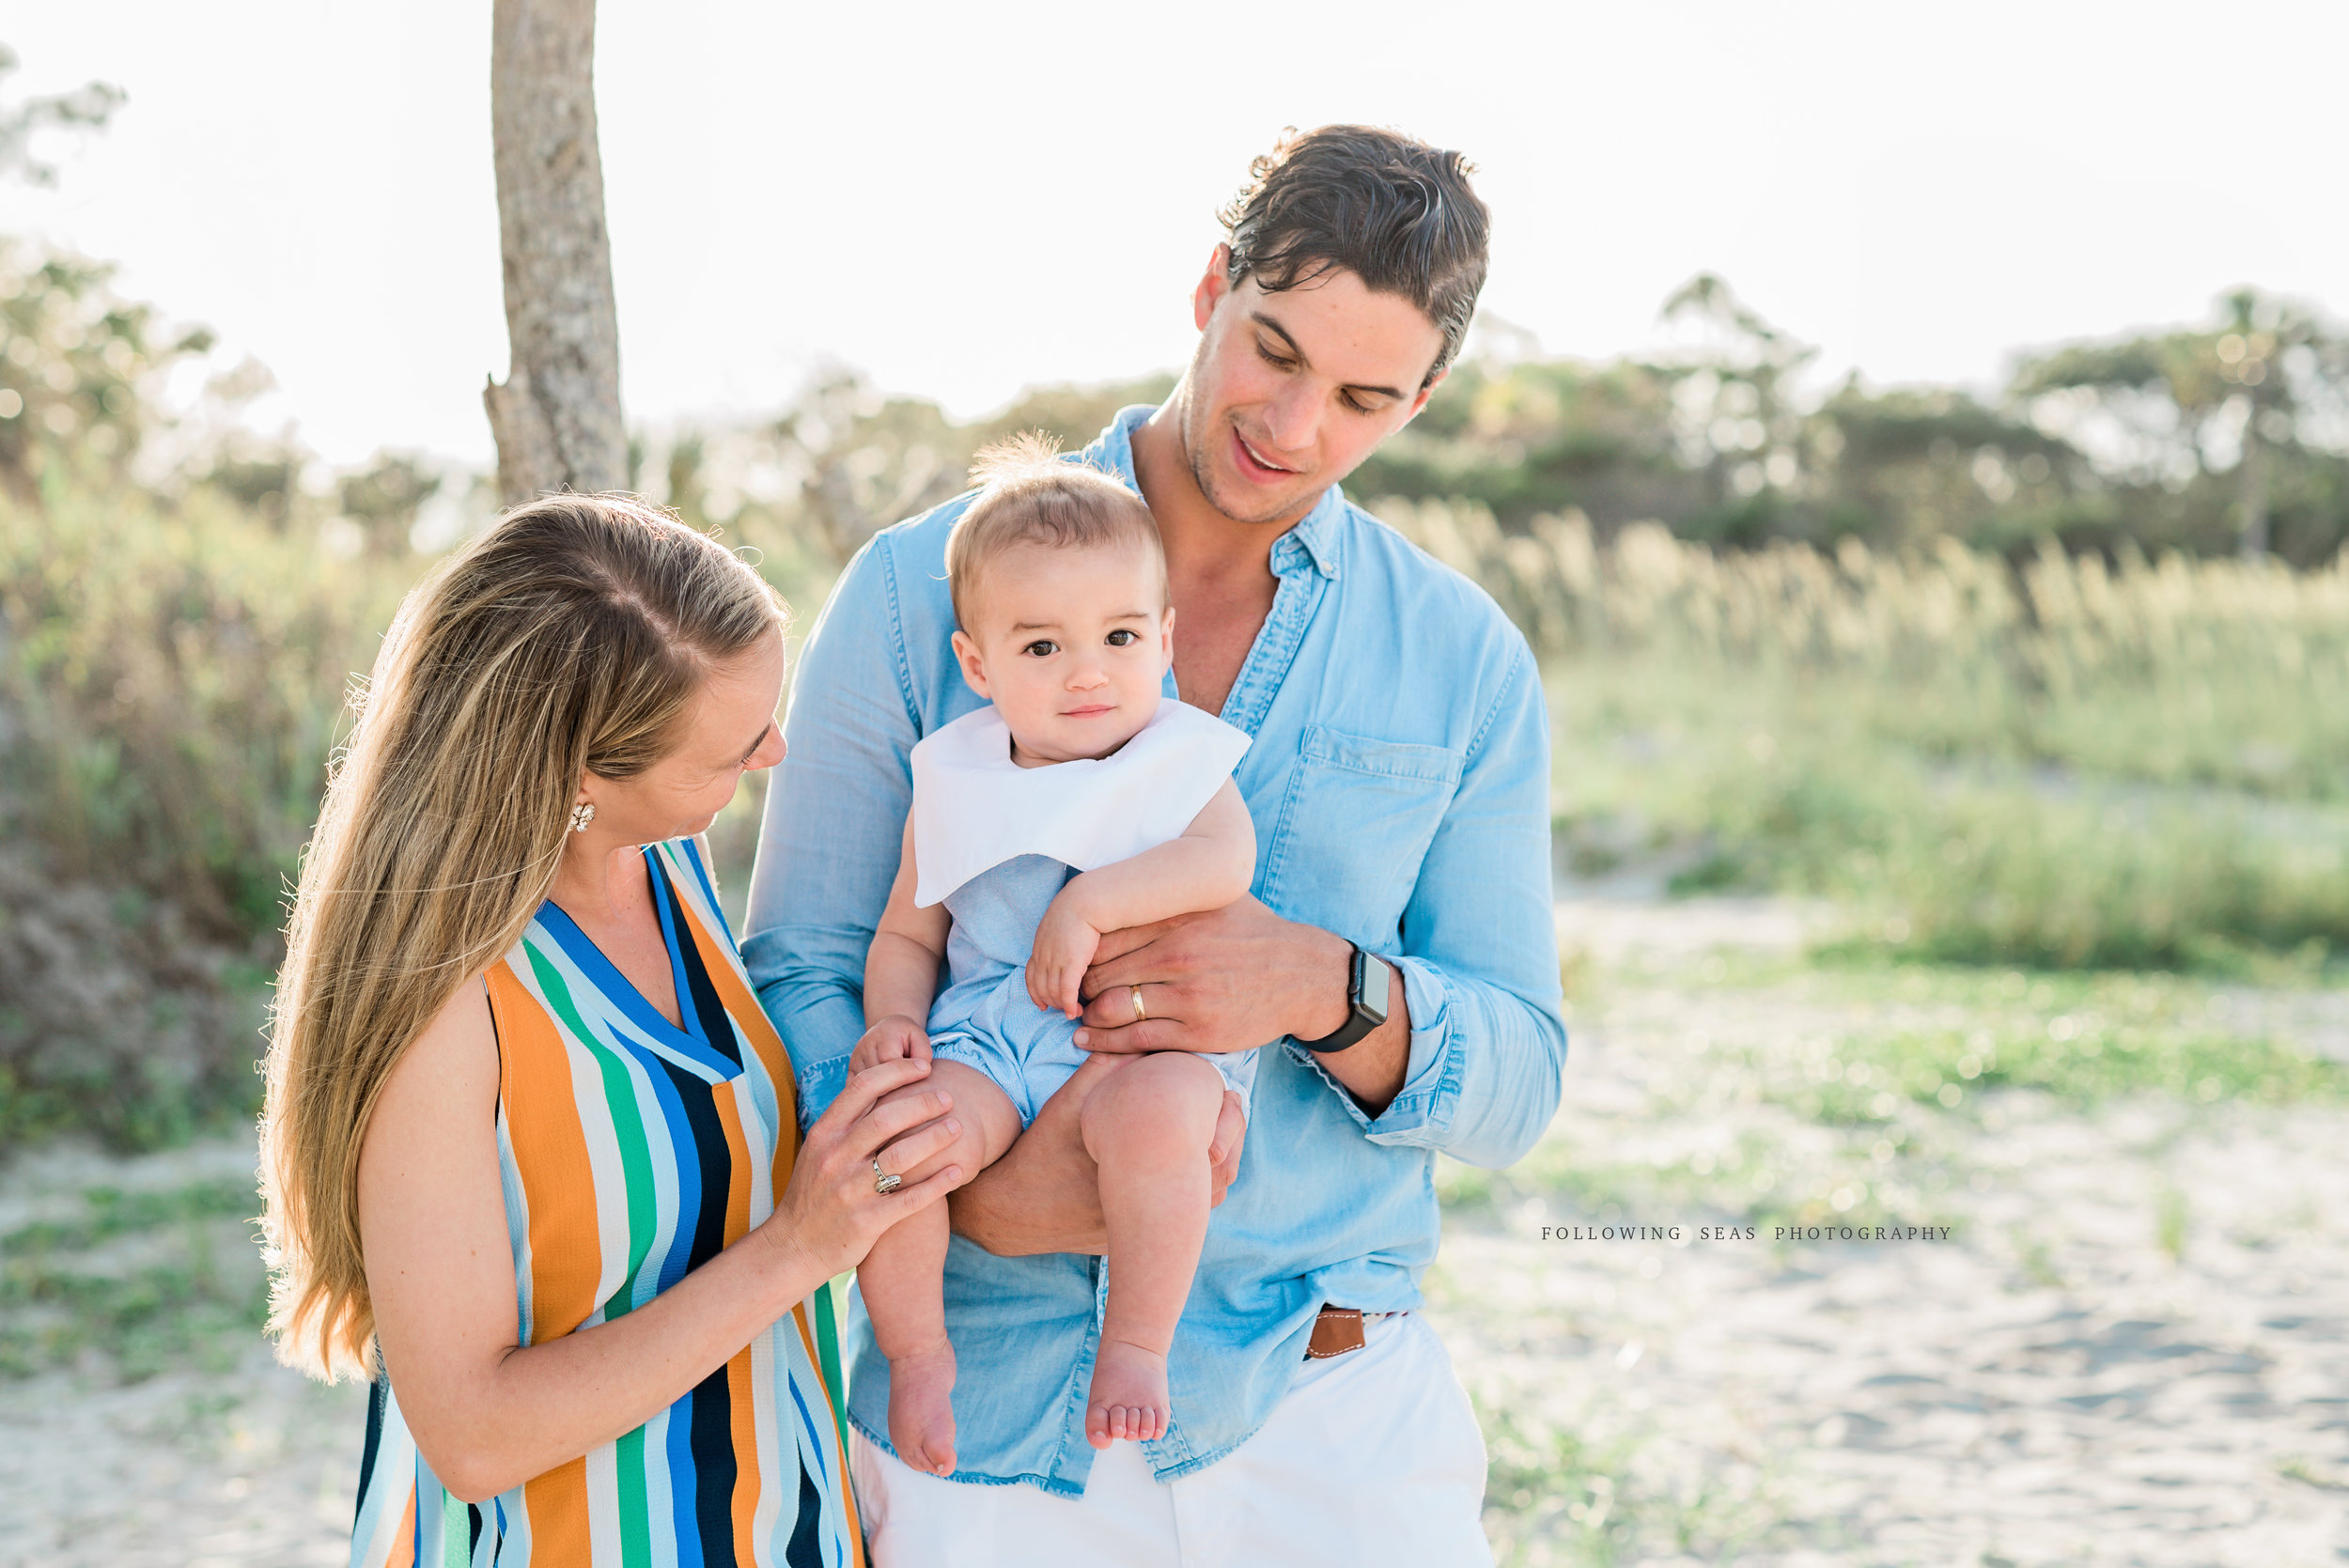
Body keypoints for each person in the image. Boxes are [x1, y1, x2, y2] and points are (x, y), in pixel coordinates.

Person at [745, 125, 1567, 1565]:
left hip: (1331, 1430)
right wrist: (950, 1172)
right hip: (976, 1434)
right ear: (1210, 287)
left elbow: (1517, 1083)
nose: (1298, 425)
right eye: (1275, 350)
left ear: (1426, 397)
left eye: (1366, 396)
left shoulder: (1463, 661)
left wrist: (1329, 988)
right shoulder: (903, 592)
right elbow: (804, 967)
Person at [257, 495, 963, 1567]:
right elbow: (474, 1435)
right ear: (582, 773)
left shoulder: (669, 863)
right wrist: (800, 1249)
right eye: (726, 752)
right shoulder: (447, 999)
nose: (772, 752)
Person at [850, 437, 1258, 1477]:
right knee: (904, 1142)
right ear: (978, 664)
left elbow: (1225, 860)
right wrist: (894, 1021)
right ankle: (917, 1350)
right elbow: (909, 931)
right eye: (1040, 649)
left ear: (1163, 641)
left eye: (1119, 635)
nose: (1087, 671)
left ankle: (1136, 1345)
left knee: (1166, 1118)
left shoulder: (1178, 755)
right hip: (989, 1035)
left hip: (1131, 1042)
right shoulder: (954, 775)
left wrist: (1093, 902)